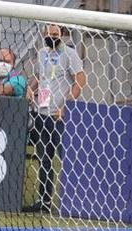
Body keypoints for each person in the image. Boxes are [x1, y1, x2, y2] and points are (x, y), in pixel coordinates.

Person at [23, 24, 86, 213]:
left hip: (59, 117)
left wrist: (67, 107)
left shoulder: (69, 54)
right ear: (44, 35)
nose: (51, 37)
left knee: (66, 157)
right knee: (44, 159)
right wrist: (30, 89)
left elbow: (81, 80)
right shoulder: (42, 53)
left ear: (62, 35)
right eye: (49, 34)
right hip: (42, 113)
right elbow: (39, 76)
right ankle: (44, 202)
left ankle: (77, 203)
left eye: (55, 34)